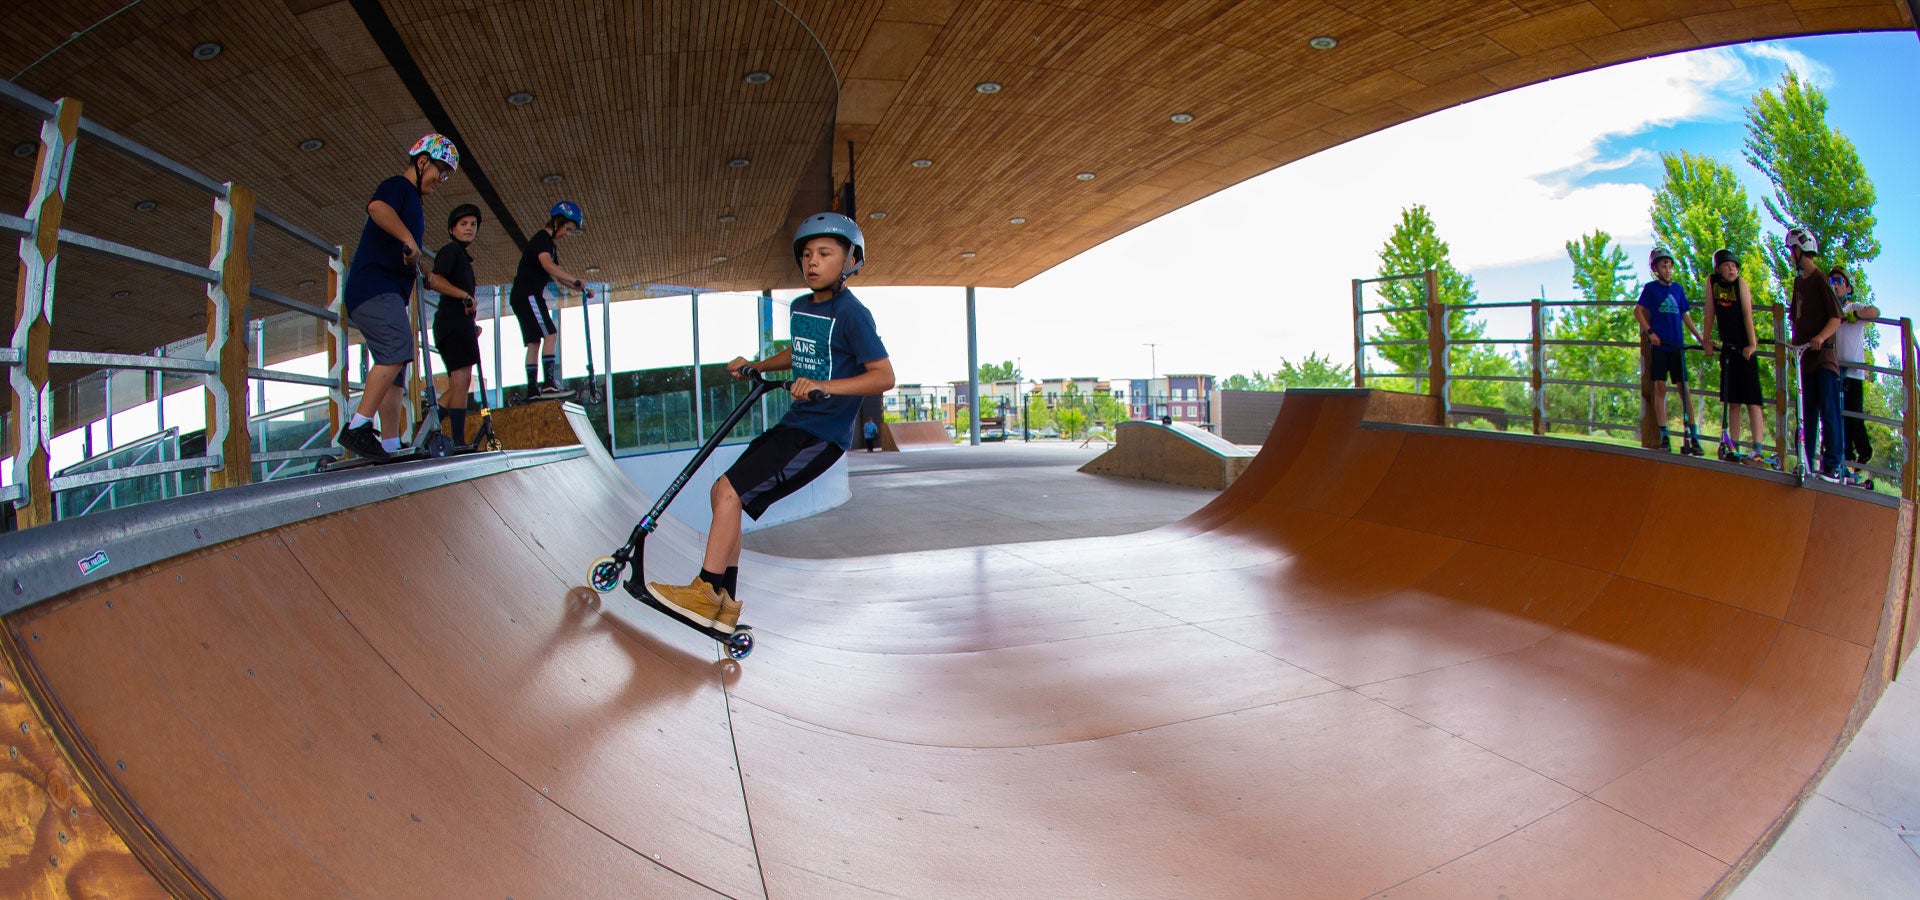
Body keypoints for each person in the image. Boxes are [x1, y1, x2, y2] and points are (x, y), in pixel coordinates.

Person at [645, 212, 893, 634]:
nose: (813, 261)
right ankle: (723, 601)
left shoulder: (853, 314)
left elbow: (883, 376)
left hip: (819, 437)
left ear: (851, 261)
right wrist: (755, 365)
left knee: (729, 492)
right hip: (795, 425)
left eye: (825, 253)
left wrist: (824, 385)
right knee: (723, 494)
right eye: (807, 254)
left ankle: (705, 590)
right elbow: (799, 353)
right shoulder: (800, 307)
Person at [336, 133, 459, 460]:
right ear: (421, 162)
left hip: (385, 290)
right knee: (398, 347)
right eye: (440, 171)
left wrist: (419, 269)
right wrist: (408, 239)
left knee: (396, 367)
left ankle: (390, 443)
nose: (441, 180)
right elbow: (377, 208)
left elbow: (404, 249)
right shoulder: (398, 187)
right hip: (373, 288)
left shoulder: (413, 202)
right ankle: (358, 427)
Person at [510, 200, 589, 399]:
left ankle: (532, 390)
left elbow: (558, 273)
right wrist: (575, 279)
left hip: (521, 295)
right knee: (551, 334)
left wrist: (579, 287)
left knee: (534, 342)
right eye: (567, 229)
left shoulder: (549, 244)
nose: (567, 234)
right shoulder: (542, 239)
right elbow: (548, 266)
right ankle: (548, 385)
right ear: (557, 222)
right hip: (528, 294)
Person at [1634, 246, 1707, 455]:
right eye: (1662, 265)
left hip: (1677, 346)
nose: (1666, 269)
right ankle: (1664, 435)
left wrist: (1699, 337)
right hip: (1660, 346)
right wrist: (1650, 332)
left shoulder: (1678, 289)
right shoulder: (1651, 289)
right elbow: (1637, 312)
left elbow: (1685, 315)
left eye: (1669, 265)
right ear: (1655, 269)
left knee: (1684, 390)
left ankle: (1693, 436)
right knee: (1660, 389)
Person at [1787, 228, 1845, 481]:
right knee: (1806, 413)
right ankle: (1806, 462)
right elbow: (1795, 318)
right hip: (1805, 359)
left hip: (1824, 359)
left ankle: (1833, 465)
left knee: (1829, 412)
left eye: (1792, 251)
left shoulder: (1820, 279)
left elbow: (1836, 318)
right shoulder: (1799, 282)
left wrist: (1820, 338)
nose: (1791, 256)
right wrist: (1793, 344)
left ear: (1801, 251)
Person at [1700, 248, 1766, 462]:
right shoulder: (1712, 283)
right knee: (1733, 400)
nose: (1732, 269)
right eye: (1727, 265)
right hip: (1728, 348)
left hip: (1744, 347)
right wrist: (1706, 339)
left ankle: (1758, 447)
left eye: (1735, 266)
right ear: (1718, 268)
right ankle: (1732, 445)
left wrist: (1752, 344)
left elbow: (1748, 315)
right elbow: (1709, 311)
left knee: (1752, 400)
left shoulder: (1741, 284)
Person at [429, 203, 483, 445]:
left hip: (459, 325)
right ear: (452, 229)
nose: (469, 228)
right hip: (451, 324)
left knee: (461, 383)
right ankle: (447, 437)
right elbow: (435, 280)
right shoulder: (451, 251)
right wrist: (464, 296)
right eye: (463, 224)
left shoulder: (463, 257)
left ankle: (449, 436)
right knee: (461, 382)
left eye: (473, 224)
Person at [1832, 266, 1879, 479]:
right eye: (1832, 281)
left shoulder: (1854, 307)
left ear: (1848, 287)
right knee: (1836, 416)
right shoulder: (1830, 310)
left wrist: (1855, 314)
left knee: (1853, 415)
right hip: (1834, 370)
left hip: (1853, 373)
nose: (1835, 286)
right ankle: (1844, 459)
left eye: (1839, 281)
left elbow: (1875, 312)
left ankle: (1863, 452)